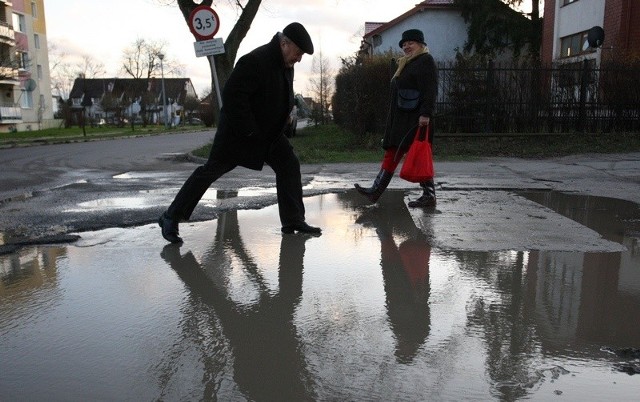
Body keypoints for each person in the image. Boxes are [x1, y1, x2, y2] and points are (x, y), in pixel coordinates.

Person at [159, 22, 321, 243]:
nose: (299, 58)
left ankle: (293, 220)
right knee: (209, 172)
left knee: (289, 164)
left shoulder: (285, 63)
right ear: (284, 44)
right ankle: (170, 217)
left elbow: (279, 94)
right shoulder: (255, 60)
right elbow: (234, 99)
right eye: (298, 53)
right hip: (237, 136)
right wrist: (251, 133)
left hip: (268, 135)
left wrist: (286, 113)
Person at [354, 29, 438, 207]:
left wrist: (425, 114)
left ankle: (427, 195)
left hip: (416, 118)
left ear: (421, 44)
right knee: (393, 151)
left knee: (416, 154)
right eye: (404, 44)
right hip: (402, 118)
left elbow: (430, 90)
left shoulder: (425, 61)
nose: (406, 47)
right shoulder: (406, 62)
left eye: (410, 43)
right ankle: (376, 191)